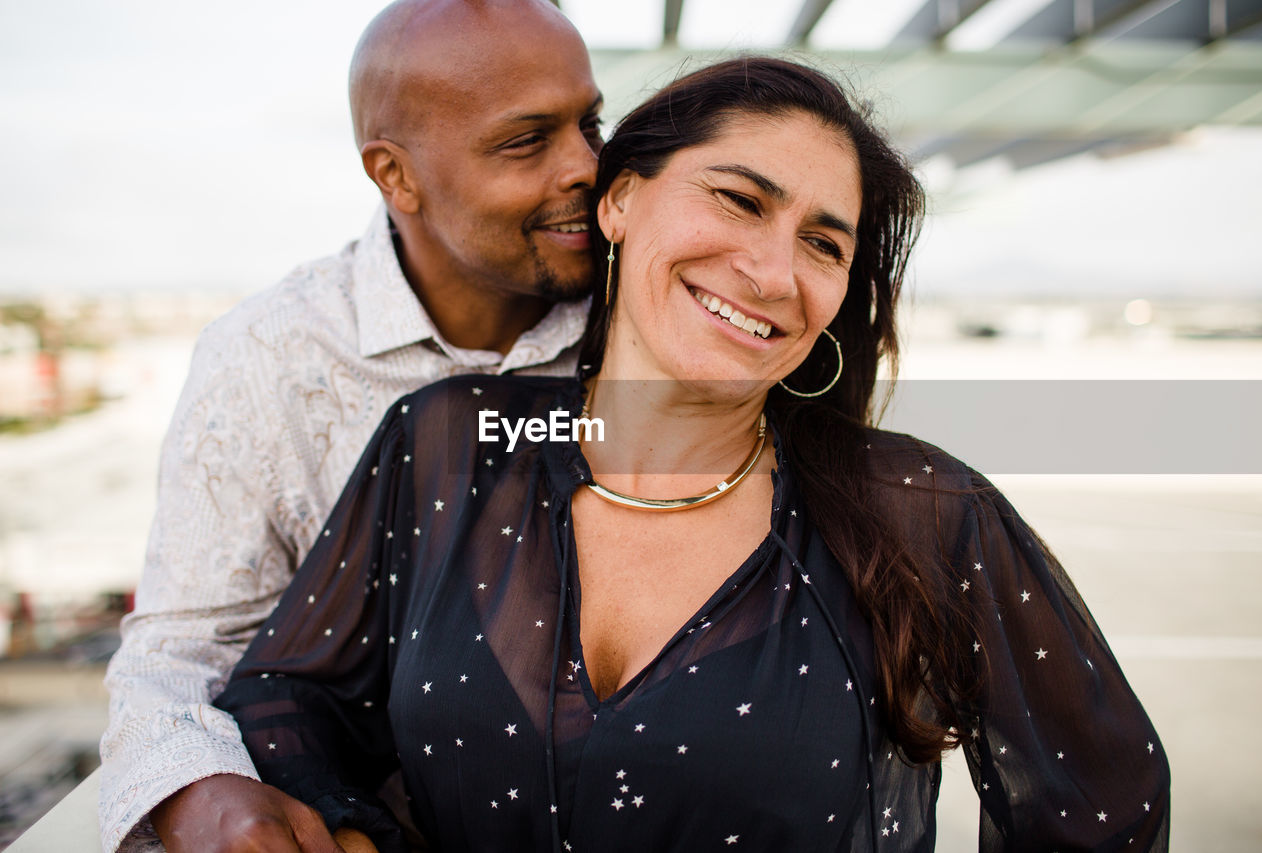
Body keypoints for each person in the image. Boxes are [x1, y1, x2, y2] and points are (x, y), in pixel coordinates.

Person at [215, 57, 1171, 852]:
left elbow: (1103, 810)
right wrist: (343, 830)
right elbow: (287, 690)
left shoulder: (917, 507)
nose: (772, 272)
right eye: (738, 199)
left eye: (823, 245)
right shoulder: (454, 443)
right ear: (621, 200)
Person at [98, 1, 605, 850]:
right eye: (527, 140)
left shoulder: (660, 311)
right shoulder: (265, 358)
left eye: (591, 122)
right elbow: (183, 650)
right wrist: (202, 795)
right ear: (394, 175)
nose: (588, 166)